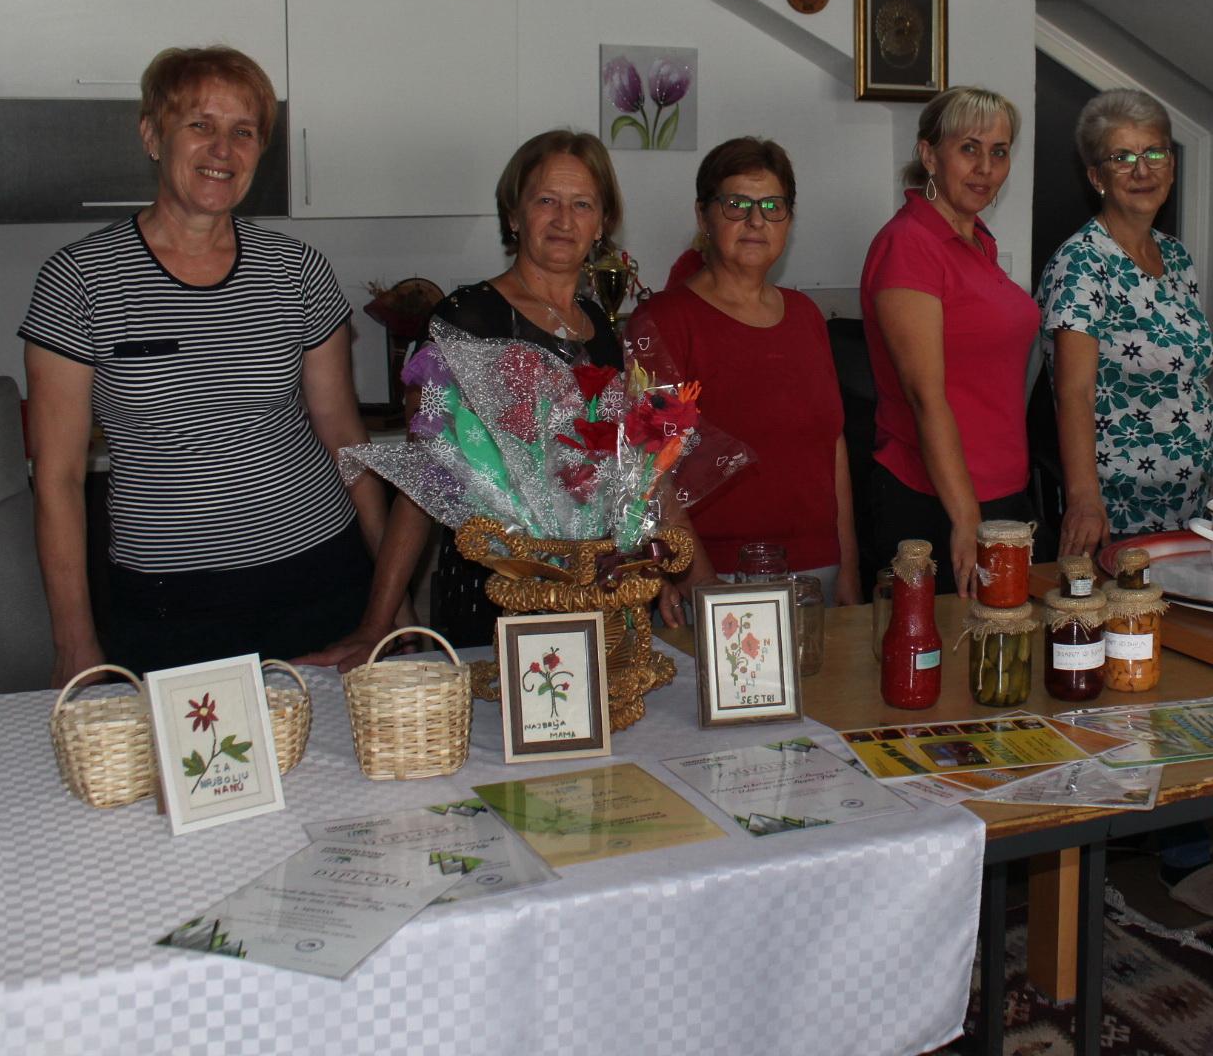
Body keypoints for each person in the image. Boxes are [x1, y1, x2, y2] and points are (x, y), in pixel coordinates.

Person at [20, 45, 389, 683]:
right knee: (194, 776)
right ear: (152, 137)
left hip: (321, 579)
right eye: (201, 125)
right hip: (170, 605)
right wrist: (73, 640)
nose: (223, 149)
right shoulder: (78, 281)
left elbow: (343, 436)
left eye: (243, 132)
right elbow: (56, 479)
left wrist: (389, 595)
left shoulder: (297, 270)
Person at [308, 130, 626, 669]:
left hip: (584, 586)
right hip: (492, 591)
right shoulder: (465, 319)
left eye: (582, 204)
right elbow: (427, 476)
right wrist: (377, 621)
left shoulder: (599, 327)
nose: (564, 219)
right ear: (513, 215)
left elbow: (617, 467)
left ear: (601, 224)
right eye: (546, 200)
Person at [625, 137, 859, 621]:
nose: (756, 221)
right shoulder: (663, 322)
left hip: (819, 572)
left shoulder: (806, 315)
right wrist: (695, 578)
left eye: (772, 206)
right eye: (737, 204)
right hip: (718, 575)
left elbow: (831, 445)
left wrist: (849, 564)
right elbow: (649, 470)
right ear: (704, 216)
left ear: (789, 221)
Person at [860, 86, 1039, 597]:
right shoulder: (909, 246)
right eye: (969, 148)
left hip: (1003, 492)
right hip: (933, 500)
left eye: (998, 152)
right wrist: (966, 519)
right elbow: (924, 396)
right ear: (928, 155)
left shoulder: (976, 239)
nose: (984, 167)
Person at [1039, 89, 1213, 556]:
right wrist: (1083, 502)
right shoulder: (1082, 262)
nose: (1142, 170)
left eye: (1154, 152)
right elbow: (1073, 392)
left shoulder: (1177, 257)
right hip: (1120, 514)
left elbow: (1193, 386)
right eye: (1121, 157)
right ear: (1096, 176)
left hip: (1194, 511)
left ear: (1173, 166)